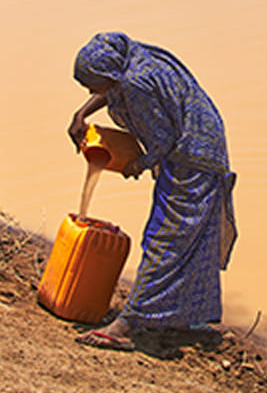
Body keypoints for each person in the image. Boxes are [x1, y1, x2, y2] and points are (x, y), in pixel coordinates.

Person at [67, 32, 237, 351]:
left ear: (110, 74)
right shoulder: (134, 59)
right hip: (200, 142)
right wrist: (82, 114)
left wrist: (138, 164)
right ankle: (181, 318)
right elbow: (115, 89)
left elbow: (162, 141)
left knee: (166, 236)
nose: (91, 92)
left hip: (191, 156)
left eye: (93, 85)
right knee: (190, 238)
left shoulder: (137, 83)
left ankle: (125, 326)